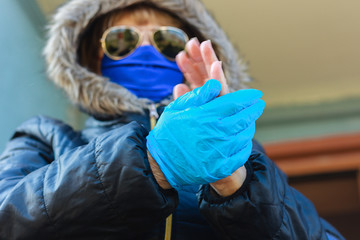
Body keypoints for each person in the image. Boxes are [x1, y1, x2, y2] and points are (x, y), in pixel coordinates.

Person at [0, 0, 344, 239]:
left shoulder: (248, 157)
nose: (147, 50)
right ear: (93, 58)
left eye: (168, 40)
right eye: (123, 39)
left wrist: (238, 187)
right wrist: (153, 161)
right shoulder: (45, 137)